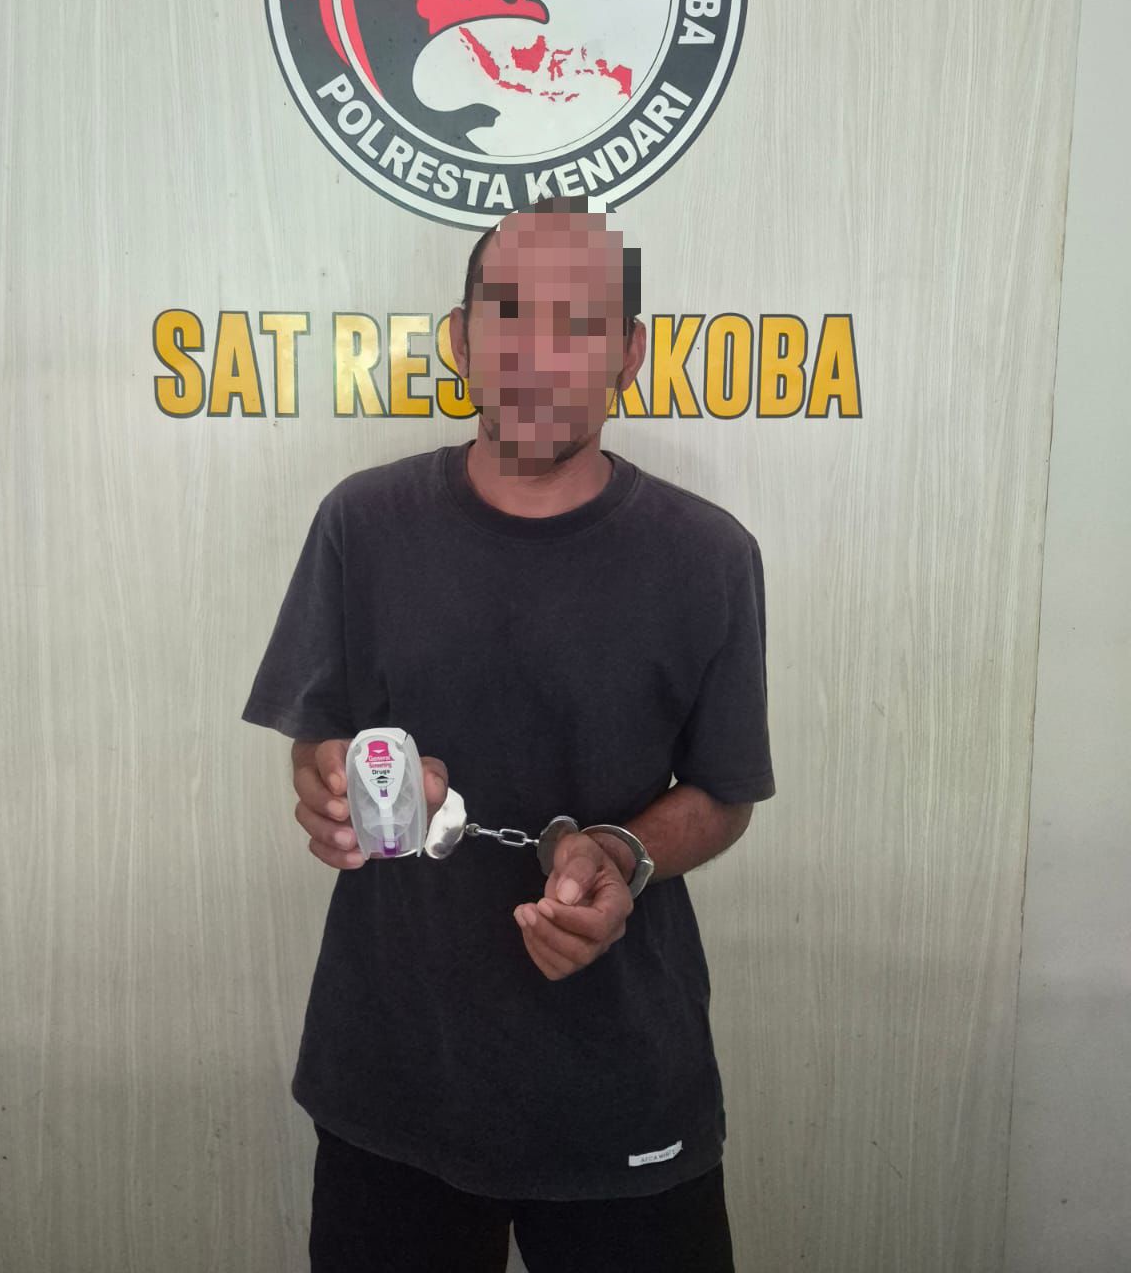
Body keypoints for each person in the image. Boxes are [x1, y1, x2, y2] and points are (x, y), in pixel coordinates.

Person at [241, 196, 775, 1272]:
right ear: (462, 337)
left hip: (625, 1086)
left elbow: (723, 793)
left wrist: (623, 851)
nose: (540, 353)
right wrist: (331, 786)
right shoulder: (363, 523)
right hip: (393, 1079)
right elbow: (319, 740)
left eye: (581, 322)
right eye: (511, 311)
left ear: (628, 354)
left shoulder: (709, 556)